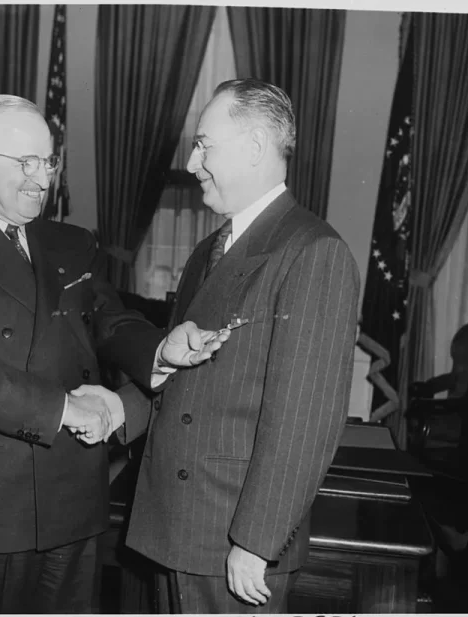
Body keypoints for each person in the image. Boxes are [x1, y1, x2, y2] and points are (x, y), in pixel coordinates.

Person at [0, 94, 226, 614]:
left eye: (47, 161)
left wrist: (163, 348)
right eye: (23, 162)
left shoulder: (73, 242)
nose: (41, 178)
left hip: (75, 493)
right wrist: (65, 408)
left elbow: (110, 320)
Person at [78, 78, 360, 613]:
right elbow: (195, 376)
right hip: (182, 523)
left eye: (205, 143)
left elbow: (305, 417)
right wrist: (120, 407)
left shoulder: (313, 251)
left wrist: (256, 541)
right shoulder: (211, 249)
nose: (191, 161)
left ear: (255, 146)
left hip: (234, 540)